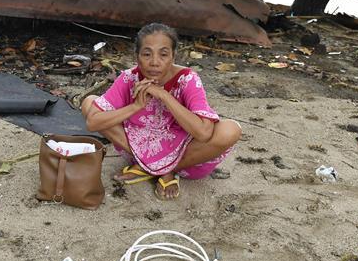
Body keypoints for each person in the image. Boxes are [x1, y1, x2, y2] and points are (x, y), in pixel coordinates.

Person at [80, 23, 241, 200]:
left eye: (163, 54)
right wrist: (135, 106)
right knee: (90, 103)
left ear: (173, 56)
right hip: (139, 148)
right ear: (137, 56)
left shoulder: (188, 79)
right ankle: (158, 168)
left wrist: (164, 96)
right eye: (147, 54)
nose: (154, 62)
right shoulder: (129, 77)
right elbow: (92, 123)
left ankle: (163, 169)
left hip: (184, 155)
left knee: (230, 130)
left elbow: (203, 133)